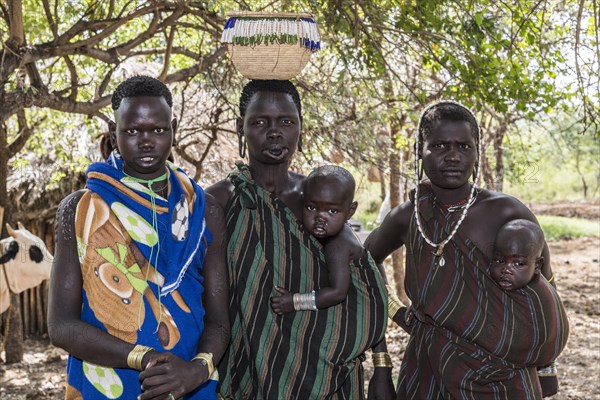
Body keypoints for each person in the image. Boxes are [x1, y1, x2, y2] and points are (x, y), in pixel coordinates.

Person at [364, 100, 569, 399]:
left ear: (477, 152)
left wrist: (546, 368)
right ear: (419, 151)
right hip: (426, 371)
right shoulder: (408, 216)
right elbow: (365, 261)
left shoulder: (507, 213)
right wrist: (395, 317)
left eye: (463, 146)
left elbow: (544, 290)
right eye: (439, 146)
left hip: (502, 378)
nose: (452, 156)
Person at [48, 75, 230, 400]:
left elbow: (219, 320)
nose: (146, 142)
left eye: (158, 130)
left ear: (173, 127)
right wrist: (143, 357)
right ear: (113, 133)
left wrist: (196, 370)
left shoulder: (203, 210)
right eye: (132, 131)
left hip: (190, 384)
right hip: (104, 384)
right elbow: (61, 325)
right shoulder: (81, 210)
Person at [207, 80, 389, 399]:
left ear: (300, 129)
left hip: (327, 377)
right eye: (260, 122)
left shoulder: (321, 200)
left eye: (287, 122)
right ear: (240, 128)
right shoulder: (219, 201)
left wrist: (382, 367)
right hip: (244, 372)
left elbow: (364, 283)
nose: (274, 132)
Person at [270, 165, 362, 314]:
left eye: (332, 211)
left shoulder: (338, 244)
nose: (320, 217)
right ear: (302, 202)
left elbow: (338, 293)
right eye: (311, 208)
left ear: (350, 211)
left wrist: (295, 302)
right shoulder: (320, 235)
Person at [490, 219, 562, 397]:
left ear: (537, 266)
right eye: (500, 260)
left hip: (525, 372)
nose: (506, 269)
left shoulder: (539, 299)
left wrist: (546, 372)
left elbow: (547, 337)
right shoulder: (489, 287)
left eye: (518, 264)